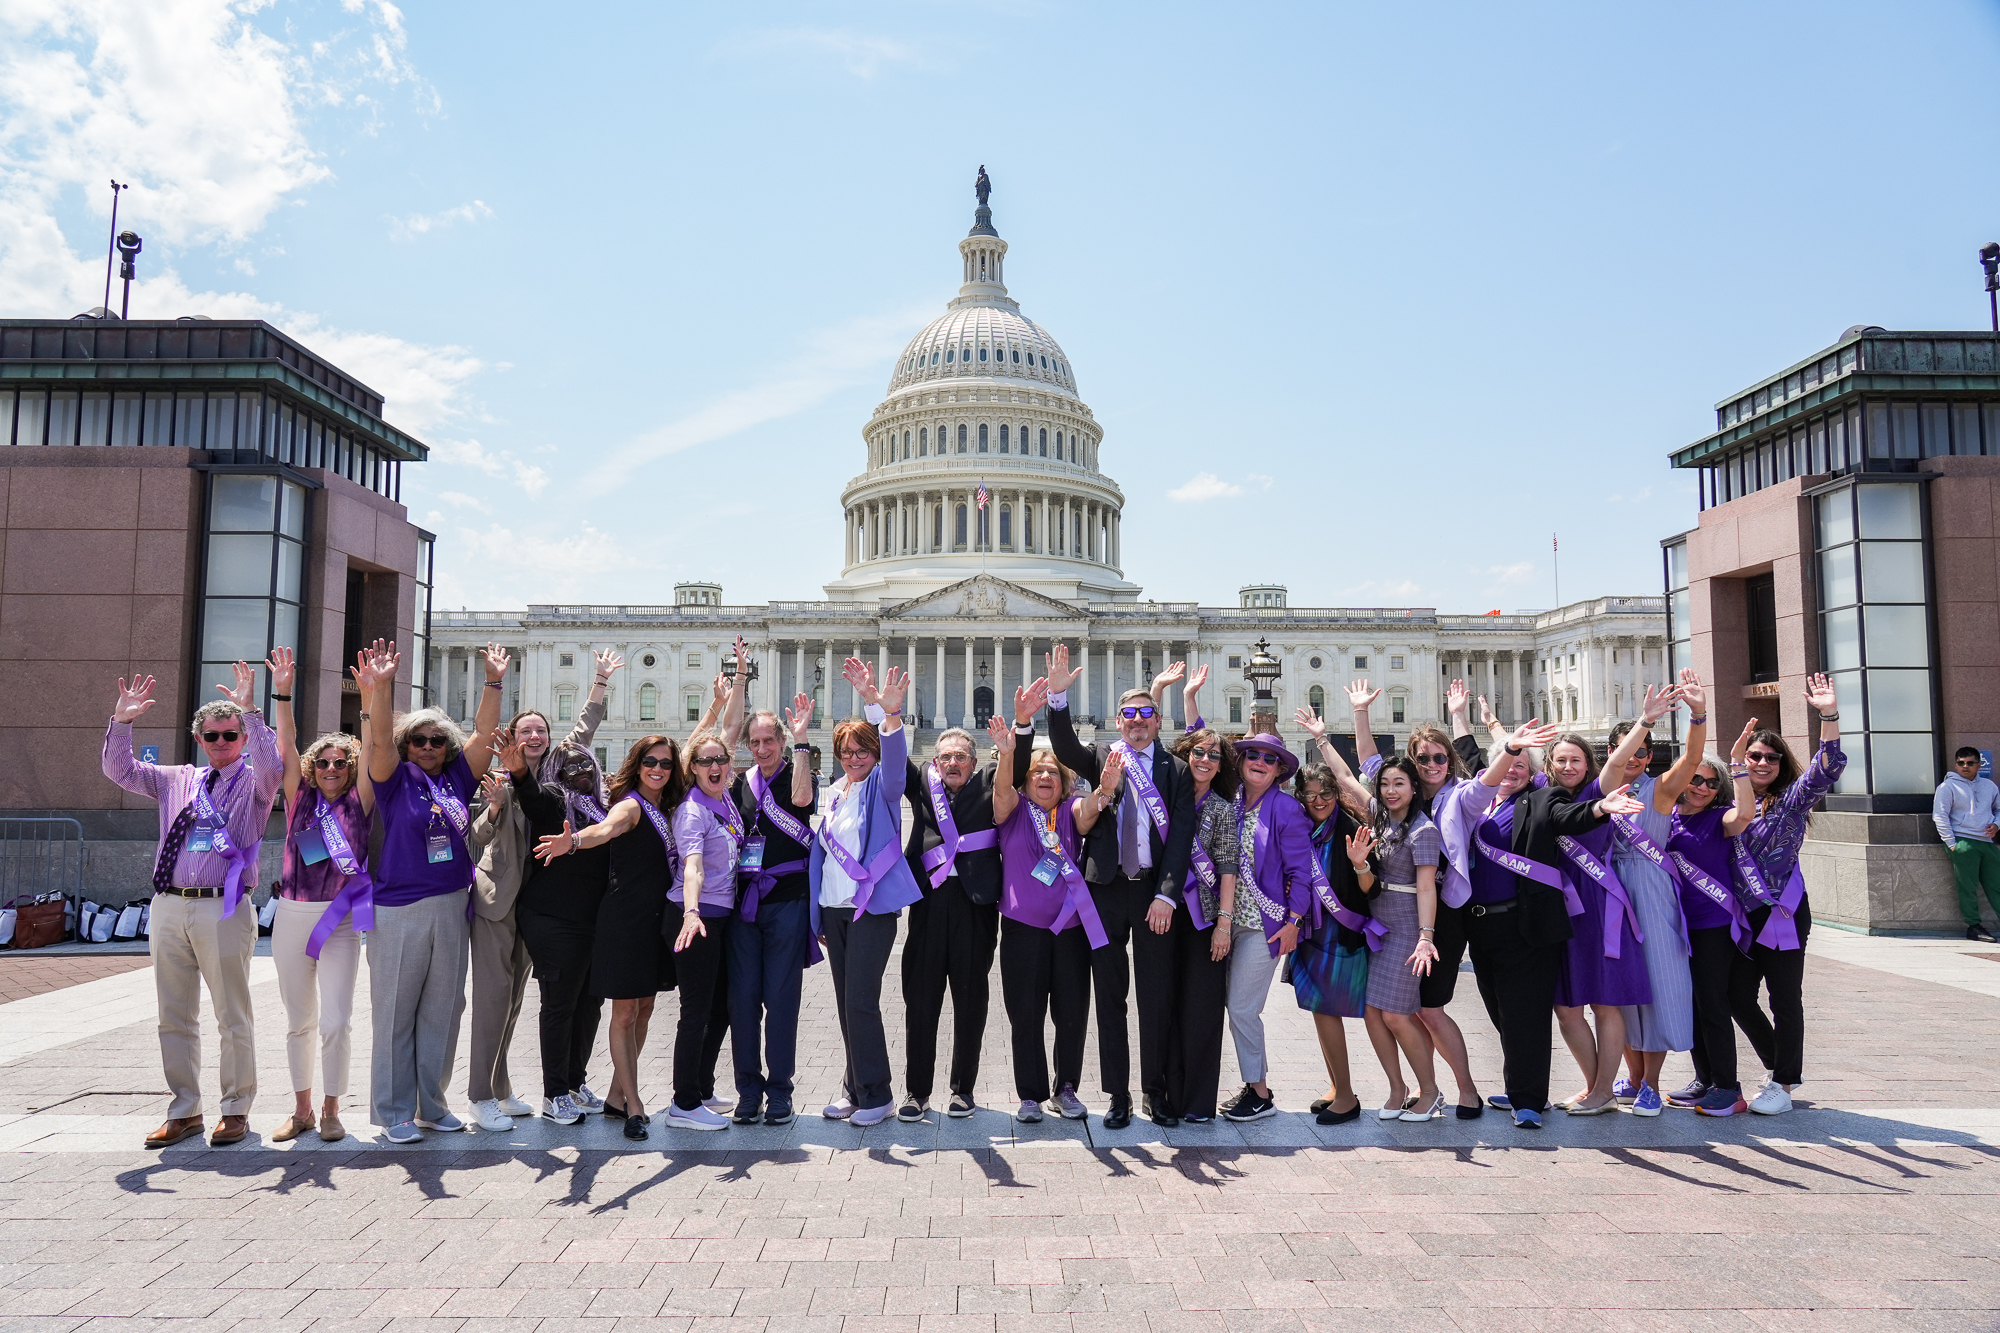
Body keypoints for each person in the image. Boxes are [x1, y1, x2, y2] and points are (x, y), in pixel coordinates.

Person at [104, 661, 282, 1149]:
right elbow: (119, 770)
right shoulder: (176, 779)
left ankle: (235, 1108)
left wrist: (251, 711)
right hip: (168, 904)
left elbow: (274, 766)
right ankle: (185, 1110)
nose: (222, 742)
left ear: (242, 738)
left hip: (223, 906)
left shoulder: (255, 783)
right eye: (212, 735)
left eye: (231, 734)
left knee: (232, 1012)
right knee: (173, 1013)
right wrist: (122, 722)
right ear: (199, 738)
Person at [1041, 644, 1197, 1130]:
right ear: (1118, 719)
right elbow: (1064, 750)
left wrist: (1168, 895)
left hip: (1152, 893)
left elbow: (1181, 841)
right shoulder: (1104, 759)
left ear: (1156, 719)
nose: (1136, 721)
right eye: (1128, 714)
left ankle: (1155, 1091)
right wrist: (1058, 699)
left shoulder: (1175, 770)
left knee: (1155, 995)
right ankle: (1118, 1095)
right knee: (1109, 996)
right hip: (1105, 891)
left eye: (1145, 713)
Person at [1461, 720, 1643, 1129]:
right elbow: (1476, 756)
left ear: (1532, 772)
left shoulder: (1542, 798)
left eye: (1522, 766)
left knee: (1527, 1015)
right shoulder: (1477, 799)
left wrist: (1600, 808)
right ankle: (1521, 1084)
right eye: (1508, 763)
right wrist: (1463, 716)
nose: (1513, 770)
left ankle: (1529, 1100)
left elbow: (1572, 814)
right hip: (1481, 928)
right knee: (1505, 1014)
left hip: (1525, 923)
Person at [358, 639, 506, 1143]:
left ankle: (431, 1104)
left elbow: (486, 733)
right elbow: (377, 739)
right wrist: (381, 687)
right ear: (406, 746)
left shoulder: (457, 780)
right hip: (398, 909)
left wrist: (493, 679)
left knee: (443, 1009)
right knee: (396, 1011)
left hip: (451, 906)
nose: (426, 746)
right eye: (418, 739)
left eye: (436, 740)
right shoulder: (393, 778)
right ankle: (393, 1111)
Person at [466, 649, 619, 1133]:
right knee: (494, 1001)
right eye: (525, 730)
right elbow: (477, 837)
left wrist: (599, 680)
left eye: (541, 730)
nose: (534, 737)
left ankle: (504, 1087)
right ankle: (480, 1094)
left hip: (545, 901)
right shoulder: (503, 777)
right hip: (503, 899)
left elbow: (587, 725)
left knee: (514, 1001)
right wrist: (492, 809)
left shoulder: (560, 769)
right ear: (512, 738)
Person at [1339, 681, 1485, 1118]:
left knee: (1429, 1010)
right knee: (1403, 1011)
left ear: (1449, 760)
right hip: (1406, 914)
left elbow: (1482, 770)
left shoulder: (1459, 791)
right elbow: (1366, 766)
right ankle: (1420, 1088)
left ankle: (1465, 1090)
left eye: (1439, 757)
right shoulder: (1403, 792)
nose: (1431, 764)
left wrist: (1460, 714)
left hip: (1445, 914)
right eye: (1422, 758)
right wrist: (1361, 712)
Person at [897, 684, 1041, 1122]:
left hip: (975, 905)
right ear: (934, 763)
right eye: (946, 757)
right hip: (929, 903)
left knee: (970, 1000)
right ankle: (916, 1092)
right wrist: (883, 710)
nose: (953, 762)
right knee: (920, 1000)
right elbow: (892, 760)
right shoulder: (922, 785)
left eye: (962, 755)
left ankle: (963, 1090)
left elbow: (1013, 776)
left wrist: (1019, 728)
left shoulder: (988, 784)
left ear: (975, 762)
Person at [532, 733, 686, 1141]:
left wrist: (726, 697)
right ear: (637, 765)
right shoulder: (631, 806)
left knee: (646, 1008)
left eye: (666, 764)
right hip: (625, 919)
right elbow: (605, 830)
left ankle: (619, 1094)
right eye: (650, 762)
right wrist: (575, 842)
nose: (658, 769)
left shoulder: (666, 805)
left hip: (656, 919)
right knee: (624, 1012)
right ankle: (634, 1107)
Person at [265, 645, 375, 1145]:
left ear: (351, 767)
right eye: (324, 761)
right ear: (313, 767)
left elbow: (374, 749)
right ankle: (302, 1109)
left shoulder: (362, 798)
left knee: (336, 1019)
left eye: (341, 762)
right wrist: (282, 693)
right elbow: (285, 741)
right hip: (293, 913)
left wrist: (372, 697)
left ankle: (333, 1109)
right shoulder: (299, 795)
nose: (331, 767)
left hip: (343, 921)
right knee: (298, 1020)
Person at [986, 716, 1119, 1123]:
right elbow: (1002, 789)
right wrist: (1008, 754)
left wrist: (1106, 790)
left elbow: (1090, 809)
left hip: (1070, 930)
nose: (1045, 776)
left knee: (1071, 1011)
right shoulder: (1012, 810)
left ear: (1063, 782)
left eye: (1052, 773)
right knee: (1024, 1012)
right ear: (1027, 782)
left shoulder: (1070, 810)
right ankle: (1030, 1094)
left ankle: (1066, 1088)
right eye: (1038, 772)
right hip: (1023, 930)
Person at [1725, 674, 1845, 1115]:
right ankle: (1780, 1067)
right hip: (1740, 914)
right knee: (1736, 996)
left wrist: (1829, 715)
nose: (1762, 762)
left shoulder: (1791, 801)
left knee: (1783, 997)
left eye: (1771, 757)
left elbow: (1827, 768)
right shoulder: (1727, 803)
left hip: (1782, 913)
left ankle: (1784, 1084)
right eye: (1753, 755)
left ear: (1781, 763)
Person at [810, 659, 922, 1127]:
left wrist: (886, 713)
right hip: (834, 909)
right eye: (846, 752)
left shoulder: (882, 785)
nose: (854, 758)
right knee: (844, 1001)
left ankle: (877, 1095)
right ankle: (854, 1087)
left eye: (862, 751)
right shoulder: (835, 792)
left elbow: (897, 766)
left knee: (861, 999)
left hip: (870, 909)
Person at [1214, 734, 1332, 1121]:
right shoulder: (1231, 800)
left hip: (1262, 925)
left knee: (1243, 1007)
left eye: (1269, 758)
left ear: (1279, 769)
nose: (1259, 762)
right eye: (1252, 755)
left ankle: (1260, 1094)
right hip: (1224, 921)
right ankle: (1254, 1085)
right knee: (1233, 1006)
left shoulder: (1286, 809)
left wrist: (1294, 922)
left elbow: (1301, 873)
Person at [1602, 674, 1706, 1116]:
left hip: (1650, 885)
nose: (1636, 758)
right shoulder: (1603, 786)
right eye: (1628, 749)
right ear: (1613, 751)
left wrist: (1698, 715)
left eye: (1644, 752)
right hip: (1609, 889)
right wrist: (1644, 722)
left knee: (1660, 982)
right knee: (1622, 987)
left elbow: (1694, 759)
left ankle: (1652, 1083)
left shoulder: (1660, 789)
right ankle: (1633, 1076)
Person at [1542, 727, 1651, 1116]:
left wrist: (1645, 722)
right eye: (1561, 760)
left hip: (1599, 903)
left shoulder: (1598, 792)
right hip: (1559, 909)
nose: (1568, 766)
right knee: (1566, 1007)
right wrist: (1469, 718)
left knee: (1605, 1002)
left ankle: (1605, 1089)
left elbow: (1620, 761)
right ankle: (1594, 1088)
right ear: (1550, 766)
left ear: (1589, 764)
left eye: (1576, 759)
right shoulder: (1543, 795)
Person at [505, 733, 612, 1127]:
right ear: (557, 772)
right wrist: (518, 770)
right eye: (572, 767)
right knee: (560, 1004)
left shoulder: (601, 808)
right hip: (553, 919)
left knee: (589, 1005)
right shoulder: (554, 798)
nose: (581, 772)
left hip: (592, 922)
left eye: (586, 764)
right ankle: (553, 1095)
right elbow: (533, 798)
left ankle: (574, 1082)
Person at [728, 696, 819, 1126]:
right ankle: (748, 1090)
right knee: (743, 1000)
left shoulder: (797, 772)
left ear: (781, 741)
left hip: (788, 899)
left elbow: (801, 802)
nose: (762, 749)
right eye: (756, 741)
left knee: (781, 999)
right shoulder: (738, 784)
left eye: (770, 740)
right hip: (745, 902)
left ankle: (780, 1090)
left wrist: (802, 741)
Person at [1661, 745, 1757, 1116]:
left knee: (1713, 1004)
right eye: (1695, 779)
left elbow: (1746, 813)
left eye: (1711, 783)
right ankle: (1705, 1078)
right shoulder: (1665, 816)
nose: (1701, 787)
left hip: (1713, 925)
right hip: (1676, 925)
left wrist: (1738, 766)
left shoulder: (1720, 818)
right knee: (1691, 1004)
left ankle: (1729, 1088)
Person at [1286, 760, 1380, 1125]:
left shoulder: (1350, 828)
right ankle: (1336, 1085)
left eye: (1325, 793)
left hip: (1339, 932)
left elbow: (1372, 889)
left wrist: (1360, 865)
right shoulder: (1302, 827)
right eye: (1310, 794)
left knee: (1328, 1012)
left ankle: (1347, 1096)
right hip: (1309, 931)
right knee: (1319, 1011)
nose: (1318, 800)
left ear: (1335, 794)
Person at [1165, 723, 1241, 1125]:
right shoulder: (1165, 799)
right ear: (1185, 755)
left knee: (1202, 1010)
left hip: (1205, 921)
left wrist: (1224, 925)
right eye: (1199, 753)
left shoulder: (1222, 809)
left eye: (1215, 755)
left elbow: (1229, 867)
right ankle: (1164, 1096)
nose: (1206, 760)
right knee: (1166, 1008)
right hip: (1162, 917)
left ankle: (1196, 1102)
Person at [1934, 746, 2000, 943]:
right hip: (1962, 842)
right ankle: (1974, 926)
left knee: (1996, 885)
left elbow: (1998, 809)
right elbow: (1940, 815)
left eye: (1970, 763)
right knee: (1967, 887)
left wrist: (1997, 825)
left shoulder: (1989, 786)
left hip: (1986, 842)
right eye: (1961, 763)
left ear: (1979, 765)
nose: (1965, 766)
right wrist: (1952, 843)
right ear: (1956, 765)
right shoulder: (1947, 787)